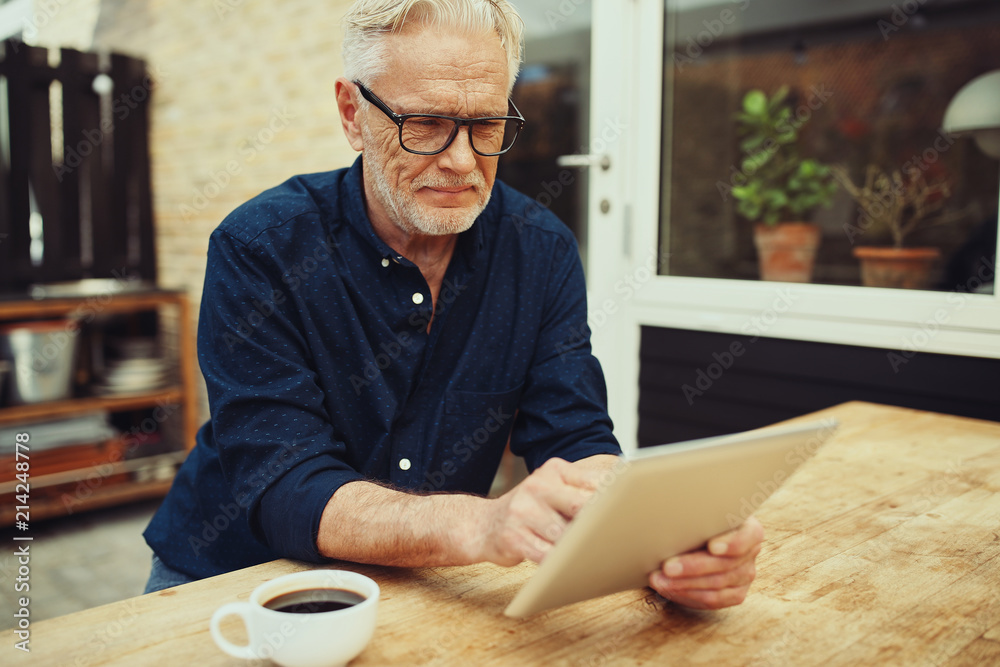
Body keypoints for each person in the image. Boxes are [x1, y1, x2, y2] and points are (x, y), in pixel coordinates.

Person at [143, 0, 763, 611]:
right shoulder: (261, 248)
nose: (463, 162)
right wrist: (482, 527)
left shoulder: (540, 250)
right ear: (352, 113)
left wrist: (657, 542)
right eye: (427, 124)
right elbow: (287, 485)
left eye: (487, 126)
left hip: (424, 583)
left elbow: (572, 434)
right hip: (229, 578)